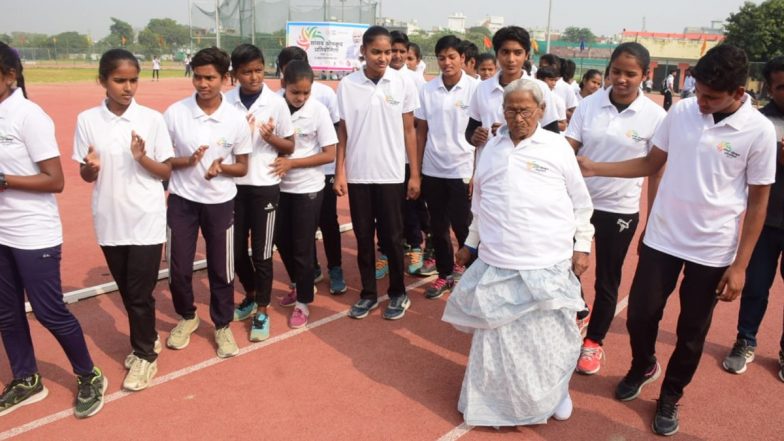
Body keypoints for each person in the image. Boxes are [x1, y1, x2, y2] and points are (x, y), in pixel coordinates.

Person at [578, 44, 776, 436]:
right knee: (639, 315)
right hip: (663, 237)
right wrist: (595, 167)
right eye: (698, 92)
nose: (700, 102)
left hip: (712, 247)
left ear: (739, 92)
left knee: (691, 331)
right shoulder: (683, 111)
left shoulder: (759, 131)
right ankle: (643, 365)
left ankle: (670, 394)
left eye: (711, 97)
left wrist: (740, 266)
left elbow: (758, 204)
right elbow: (652, 164)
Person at [443, 78, 594, 427]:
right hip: (499, 261)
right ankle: (494, 405)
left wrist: (582, 246)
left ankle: (557, 392)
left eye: (525, 110)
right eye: (511, 109)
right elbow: (481, 204)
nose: (518, 117)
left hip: (547, 262)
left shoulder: (557, 148)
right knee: (500, 344)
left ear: (541, 111)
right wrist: (470, 243)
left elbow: (581, 204)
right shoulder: (492, 148)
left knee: (548, 342)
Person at [0, 42, 107, 418]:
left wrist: (4, 180)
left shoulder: (29, 116)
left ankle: (89, 374)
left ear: (10, 76)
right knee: (6, 312)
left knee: (48, 311)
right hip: (1, 232)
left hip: (33, 232)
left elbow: (55, 180)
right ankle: (27, 379)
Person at [73, 49, 174, 391]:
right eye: (120, 80)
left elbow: (166, 172)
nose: (128, 87)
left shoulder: (152, 119)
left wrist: (142, 157)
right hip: (109, 218)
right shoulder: (87, 120)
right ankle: (147, 338)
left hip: (145, 216)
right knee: (129, 292)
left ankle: (145, 356)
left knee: (139, 292)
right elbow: (85, 174)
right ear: (102, 80)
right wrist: (90, 168)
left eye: (133, 80)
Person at [565, 43, 666, 376]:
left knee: (607, 279)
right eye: (616, 72)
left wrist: (653, 219)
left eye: (630, 74)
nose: (621, 79)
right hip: (578, 204)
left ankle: (594, 342)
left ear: (644, 75)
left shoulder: (655, 116)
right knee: (563, 266)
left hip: (619, 210)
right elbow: (569, 149)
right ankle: (580, 311)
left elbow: (654, 168)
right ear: (608, 69)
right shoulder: (588, 105)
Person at [163, 47, 252, 358]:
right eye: (198, 77)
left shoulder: (236, 119)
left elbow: (243, 166)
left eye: (210, 78)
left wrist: (221, 168)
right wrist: (186, 161)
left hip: (220, 202)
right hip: (182, 201)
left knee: (221, 268)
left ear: (225, 79)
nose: (203, 84)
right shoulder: (175, 113)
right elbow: (164, 159)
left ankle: (222, 325)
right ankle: (187, 316)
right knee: (177, 269)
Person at [333, 26, 420, 320]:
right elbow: (343, 131)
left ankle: (398, 292)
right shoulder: (347, 85)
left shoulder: (403, 83)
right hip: (358, 175)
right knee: (363, 237)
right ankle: (369, 293)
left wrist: (415, 174)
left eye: (388, 52)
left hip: (391, 175)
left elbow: (410, 130)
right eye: (376, 52)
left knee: (393, 238)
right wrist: (340, 171)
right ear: (363, 52)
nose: (383, 58)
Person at [722, 56, 784, 382]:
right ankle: (745, 339)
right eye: (781, 86)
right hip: (766, 221)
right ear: (770, 88)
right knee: (756, 287)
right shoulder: (760, 124)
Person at [226, 44, 294, 342]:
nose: (254, 77)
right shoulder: (226, 102)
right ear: (235, 74)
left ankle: (263, 310)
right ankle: (251, 294)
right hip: (233, 187)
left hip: (265, 184)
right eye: (246, 72)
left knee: (263, 252)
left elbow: (290, 146)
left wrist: (271, 138)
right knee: (236, 250)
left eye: (258, 70)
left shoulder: (276, 103)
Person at [276, 46, 346, 295]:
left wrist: (338, 173)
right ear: (283, 74)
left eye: (305, 91)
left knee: (327, 222)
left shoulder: (323, 97)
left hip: (320, 173)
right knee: (291, 234)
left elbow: (335, 136)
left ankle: (335, 268)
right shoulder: (275, 102)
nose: (301, 96)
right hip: (284, 181)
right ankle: (310, 271)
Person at [416, 35, 478, 299]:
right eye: (442, 58)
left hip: (462, 170)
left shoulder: (476, 89)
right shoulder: (428, 90)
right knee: (438, 227)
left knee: (464, 228)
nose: (447, 62)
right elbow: (421, 132)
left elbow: (483, 134)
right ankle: (444, 275)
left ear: (462, 59)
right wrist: (417, 172)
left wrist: (477, 173)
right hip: (433, 169)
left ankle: (472, 278)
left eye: (452, 57)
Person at [466, 25, 561, 153]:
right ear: (497, 54)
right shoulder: (482, 89)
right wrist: (474, 137)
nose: (511, 59)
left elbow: (552, 133)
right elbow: (471, 130)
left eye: (517, 53)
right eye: (505, 52)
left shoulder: (540, 88)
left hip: (527, 165)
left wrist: (511, 130)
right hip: (490, 166)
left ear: (526, 55)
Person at [389, 30, 430, 276]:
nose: (396, 55)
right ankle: (386, 250)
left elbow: (418, 124)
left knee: (409, 206)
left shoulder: (414, 81)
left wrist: (416, 163)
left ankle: (416, 245)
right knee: (384, 210)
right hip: (383, 158)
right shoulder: (376, 78)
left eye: (402, 51)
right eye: (393, 50)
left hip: (405, 156)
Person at [539, 54, 578, 121]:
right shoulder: (537, 84)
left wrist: (559, 109)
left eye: (543, 66)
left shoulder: (567, 88)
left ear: (554, 66)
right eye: (540, 66)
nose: (540, 69)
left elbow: (575, 115)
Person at [536, 66, 567, 132]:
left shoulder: (558, 100)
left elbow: (563, 125)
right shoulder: (530, 95)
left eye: (555, 80)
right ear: (540, 80)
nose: (554, 83)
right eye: (551, 80)